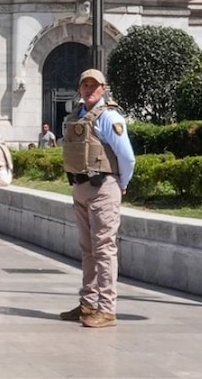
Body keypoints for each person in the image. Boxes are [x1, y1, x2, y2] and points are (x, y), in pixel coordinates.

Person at [58, 69, 136, 329]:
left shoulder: (109, 117)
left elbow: (127, 156)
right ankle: (88, 303)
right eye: (85, 85)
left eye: (95, 85)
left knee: (103, 249)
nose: (89, 89)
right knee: (87, 249)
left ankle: (107, 308)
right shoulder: (77, 116)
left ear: (104, 88)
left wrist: (121, 184)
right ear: (79, 88)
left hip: (103, 186)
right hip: (80, 187)